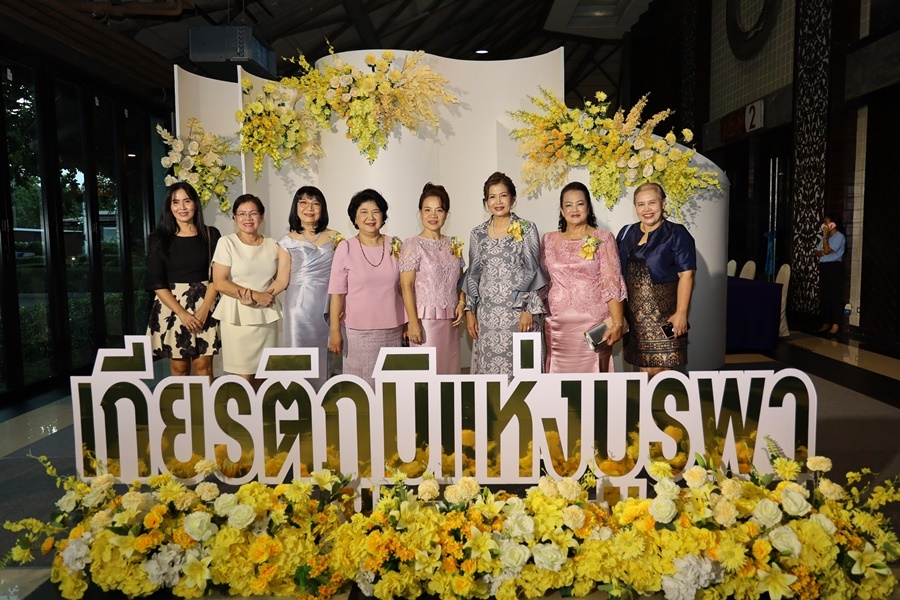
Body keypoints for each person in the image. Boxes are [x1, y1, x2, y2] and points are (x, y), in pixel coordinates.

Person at [463, 172, 546, 377]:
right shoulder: (477, 233)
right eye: (492, 197)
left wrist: (529, 310)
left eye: (503, 195)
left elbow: (534, 270)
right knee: (491, 377)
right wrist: (469, 311)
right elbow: (473, 275)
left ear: (513, 198)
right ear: (486, 201)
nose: (498, 202)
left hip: (519, 315)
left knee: (522, 372)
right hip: (487, 318)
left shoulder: (526, 228)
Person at [541, 182, 627, 373]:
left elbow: (611, 282)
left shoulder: (604, 238)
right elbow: (542, 282)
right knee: (558, 380)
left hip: (593, 324)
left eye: (580, 204)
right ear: (562, 211)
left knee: (594, 382)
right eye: (568, 205)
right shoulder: (548, 240)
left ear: (588, 207)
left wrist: (617, 322)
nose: (574, 209)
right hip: (557, 325)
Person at [327, 189, 406, 388]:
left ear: (383, 216)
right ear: (355, 217)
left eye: (376, 211)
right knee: (361, 388)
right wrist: (335, 332)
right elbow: (337, 294)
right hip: (357, 333)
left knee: (389, 387)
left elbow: (405, 287)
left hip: (392, 329)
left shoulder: (395, 245)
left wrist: (409, 322)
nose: (370, 217)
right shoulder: (345, 247)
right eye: (363, 212)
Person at [615, 182, 696, 377]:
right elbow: (616, 274)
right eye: (641, 204)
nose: (647, 209)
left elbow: (687, 275)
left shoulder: (677, 233)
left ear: (663, 203)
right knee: (642, 370)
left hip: (665, 315)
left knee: (662, 371)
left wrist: (681, 313)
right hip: (634, 317)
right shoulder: (626, 233)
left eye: (652, 202)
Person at [145, 182, 221, 383]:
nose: (182, 207)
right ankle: (182, 405)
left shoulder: (211, 234)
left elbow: (216, 277)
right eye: (176, 202)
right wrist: (182, 313)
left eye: (187, 201)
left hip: (205, 303)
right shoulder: (158, 238)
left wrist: (204, 310)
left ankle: (207, 405)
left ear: (195, 204)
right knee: (179, 370)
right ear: (169, 207)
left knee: (203, 368)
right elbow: (156, 281)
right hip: (172, 306)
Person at [212, 194, 288, 389]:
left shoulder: (273, 245)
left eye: (253, 213)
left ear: (262, 217)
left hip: (266, 317)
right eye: (242, 214)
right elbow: (219, 282)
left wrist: (267, 297)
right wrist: (255, 296)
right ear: (235, 218)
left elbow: (281, 278)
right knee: (243, 379)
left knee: (264, 376)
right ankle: (243, 409)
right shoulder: (226, 243)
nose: (248, 218)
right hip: (237, 318)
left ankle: (262, 410)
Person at [277, 186, 342, 389]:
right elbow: (281, 280)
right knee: (299, 356)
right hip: (298, 307)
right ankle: (299, 399)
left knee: (327, 354)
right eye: (303, 202)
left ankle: (325, 397)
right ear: (296, 208)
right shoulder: (287, 241)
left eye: (315, 203)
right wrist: (261, 295)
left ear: (323, 208)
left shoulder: (336, 237)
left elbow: (344, 274)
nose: (309, 208)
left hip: (328, 304)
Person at [400, 183, 466, 374]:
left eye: (439, 210)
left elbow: (460, 281)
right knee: (427, 375)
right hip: (424, 322)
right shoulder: (412, 245)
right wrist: (412, 322)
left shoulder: (454, 244)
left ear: (446, 214)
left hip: (451, 322)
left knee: (449, 374)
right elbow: (406, 286)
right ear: (420, 212)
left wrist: (462, 302)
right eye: (427, 210)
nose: (433, 215)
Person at [814, 212, 846, 336]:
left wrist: (825, 237)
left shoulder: (839, 237)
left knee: (835, 296)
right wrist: (823, 251)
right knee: (824, 295)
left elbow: (827, 250)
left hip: (834, 268)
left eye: (826, 222)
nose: (824, 225)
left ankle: (835, 324)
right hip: (824, 267)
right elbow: (817, 251)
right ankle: (826, 322)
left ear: (833, 224)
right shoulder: (825, 237)